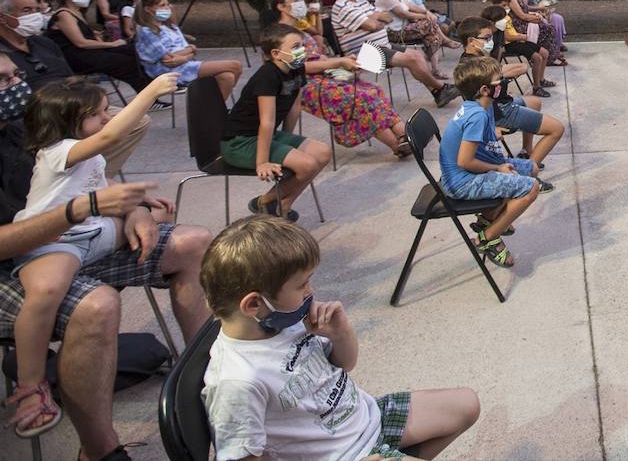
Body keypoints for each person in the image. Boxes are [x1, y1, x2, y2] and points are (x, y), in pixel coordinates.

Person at [0, 50, 212, 460]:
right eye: (4, 81)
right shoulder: (54, 143)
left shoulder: (22, 128)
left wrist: (134, 209)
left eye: (14, 76)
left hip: (80, 231)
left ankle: (206, 367)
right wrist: (150, 90)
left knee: (192, 241)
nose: (17, 86)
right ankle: (90, 442)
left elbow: (91, 178)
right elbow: (97, 158)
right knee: (93, 303)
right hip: (30, 253)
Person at [199, 215, 480, 460]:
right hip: (344, 453)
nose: (310, 290)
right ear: (253, 305)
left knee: (467, 404)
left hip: (366, 420)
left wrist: (340, 333)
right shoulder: (236, 381)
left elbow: (344, 364)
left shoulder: (282, 323)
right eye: (301, 284)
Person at [0, 0, 152, 177]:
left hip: (77, 104)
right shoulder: (3, 57)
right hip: (39, 114)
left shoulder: (43, 43)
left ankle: (96, 177)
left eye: (36, 10)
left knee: (135, 121)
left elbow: (70, 76)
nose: (34, 15)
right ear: (3, 17)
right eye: (26, 10)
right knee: (96, 128)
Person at [269, 0, 411, 158]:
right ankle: (399, 143)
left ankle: (405, 137)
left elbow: (318, 48)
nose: (301, 3)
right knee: (362, 97)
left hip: (324, 75)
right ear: (281, 6)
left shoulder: (300, 29)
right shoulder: (280, 35)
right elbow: (299, 67)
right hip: (304, 85)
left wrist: (340, 63)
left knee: (373, 90)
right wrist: (337, 62)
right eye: (295, 0)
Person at [438, 57, 546, 268]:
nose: (503, 82)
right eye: (500, 80)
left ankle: (487, 220)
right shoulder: (476, 115)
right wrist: (498, 168)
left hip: (467, 174)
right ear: (486, 89)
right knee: (531, 188)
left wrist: (494, 136)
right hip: (462, 182)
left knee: (531, 168)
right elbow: (465, 161)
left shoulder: (480, 105)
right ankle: (487, 237)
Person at [219, 25, 332, 223]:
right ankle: (268, 203)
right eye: (296, 46)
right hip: (240, 141)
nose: (302, 50)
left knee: (322, 152)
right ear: (276, 53)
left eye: (302, 45)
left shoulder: (296, 69)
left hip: (267, 135)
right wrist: (262, 162)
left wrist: (287, 141)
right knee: (307, 165)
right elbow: (267, 120)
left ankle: (278, 205)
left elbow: (294, 108)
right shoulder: (268, 75)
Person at [329, 0, 460, 108]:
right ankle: (441, 89)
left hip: (382, 45)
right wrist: (375, 19)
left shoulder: (362, 3)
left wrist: (374, 19)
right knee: (413, 59)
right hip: (365, 52)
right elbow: (372, 26)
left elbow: (387, 17)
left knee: (417, 55)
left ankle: (437, 93)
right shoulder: (341, 6)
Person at [455, 17, 563, 166]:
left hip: (500, 103)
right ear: (472, 41)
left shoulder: (475, 58)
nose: (490, 41)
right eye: (486, 38)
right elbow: (479, 101)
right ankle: (529, 172)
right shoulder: (473, 66)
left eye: (491, 37)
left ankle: (527, 151)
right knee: (557, 129)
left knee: (535, 102)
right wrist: (491, 127)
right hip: (499, 112)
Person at [46, 0, 160, 101]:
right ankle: (148, 98)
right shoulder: (64, 14)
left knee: (135, 50)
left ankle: (153, 86)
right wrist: (112, 44)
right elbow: (80, 43)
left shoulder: (78, 12)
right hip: (76, 57)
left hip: (90, 51)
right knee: (126, 62)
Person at [132, 0, 243, 101]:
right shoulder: (146, 31)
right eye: (162, 5)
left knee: (227, 76)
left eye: (167, 5)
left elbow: (190, 52)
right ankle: (213, 111)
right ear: (147, 9)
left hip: (185, 64)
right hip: (169, 72)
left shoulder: (169, 27)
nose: (167, 8)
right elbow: (169, 60)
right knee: (235, 66)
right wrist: (190, 50)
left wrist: (186, 54)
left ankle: (211, 112)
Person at [374, 0, 459, 78]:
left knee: (432, 36)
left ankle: (435, 70)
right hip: (393, 32)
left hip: (406, 30)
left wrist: (427, 12)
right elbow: (403, 14)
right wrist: (426, 16)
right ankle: (445, 40)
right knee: (428, 23)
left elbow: (413, 7)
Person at [483, 1, 550, 97]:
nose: (504, 20)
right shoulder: (486, 37)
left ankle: (540, 80)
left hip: (508, 50)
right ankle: (536, 87)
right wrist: (523, 37)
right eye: (501, 19)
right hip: (508, 48)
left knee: (543, 53)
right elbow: (505, 43)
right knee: (537, 58)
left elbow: (499, 50)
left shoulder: (499, 31)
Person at [517, 0, 568, 64]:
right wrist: (539, 8)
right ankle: (550, 54)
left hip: (542, 12)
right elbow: (525, 7)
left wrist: (546, 8)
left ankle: (556, 49)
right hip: (533, 13)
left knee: (558, 18)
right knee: (550, 23)